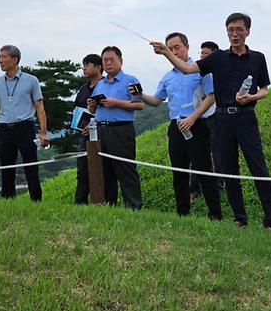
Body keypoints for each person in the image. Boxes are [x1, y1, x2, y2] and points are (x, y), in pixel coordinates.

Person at [150, 13, 271, 229]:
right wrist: (165, 53)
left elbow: (264, 90)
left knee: (258, 168)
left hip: (246, 117)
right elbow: (188, 68)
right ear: (226, 32)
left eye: (239, 29)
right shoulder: (217, 58)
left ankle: (270, 220)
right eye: (230, 30)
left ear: (247, 31)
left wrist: (252, 97)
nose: (235, 34)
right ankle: (240, 218)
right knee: (229, 169)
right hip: (221, 118)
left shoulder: (258, 58)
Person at [140, 32, 222, 220]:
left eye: (177, 47)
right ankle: (182, 213)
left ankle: (215, 215)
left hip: (197, 125)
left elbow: (211, 97)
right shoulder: (167, 77)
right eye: (171, 48)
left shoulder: (201, 70)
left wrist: (192, 118)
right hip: (175, 127)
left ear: (187, 47)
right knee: (179, 172)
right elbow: (156, 100)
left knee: (204, 172)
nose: (175, 52)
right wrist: (139, 94)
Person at [0, 44, 48, 201]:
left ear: (15, 59)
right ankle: (7, 203)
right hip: (4, 130)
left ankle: (36, 202)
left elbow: (40, 107)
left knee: (31, 167)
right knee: (6, 169)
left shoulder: (31, 80)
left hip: (25, 128)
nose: (0, 60)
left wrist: (43, 133)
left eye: (3, 57)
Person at [87, 46, 143, 210]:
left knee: (126, 169)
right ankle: (108, 206)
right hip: (101, 130)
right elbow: (93, 110)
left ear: (121, 61)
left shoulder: (131, 80)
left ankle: (133, 207)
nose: (108, 63)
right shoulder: (100, 84)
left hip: (121, 130)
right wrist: (91, 106)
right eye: (105, 60)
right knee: (105, 171)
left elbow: (139, 104)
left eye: (112, 59)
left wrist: (115, 103)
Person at [189, 40, 224, 198]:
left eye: (206, 54)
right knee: (197, 154)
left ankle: (219, 183)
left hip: (214, 117)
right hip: (197, 118)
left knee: (216, 153)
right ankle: (195, 188)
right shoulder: (197, 73)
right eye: (201, 54)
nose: (203, 57)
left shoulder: (218, 73)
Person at [73, 54, 103, 205]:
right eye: (83, 64)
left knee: (103, 171)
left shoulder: (105, 85)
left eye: (87, 64)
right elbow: (77, 108)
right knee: (82, 172)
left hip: (102, 135)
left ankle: (104, 203)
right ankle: (80, 204)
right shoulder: (83, 88)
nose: (83, 68)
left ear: (98, 67)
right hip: (84, 137)